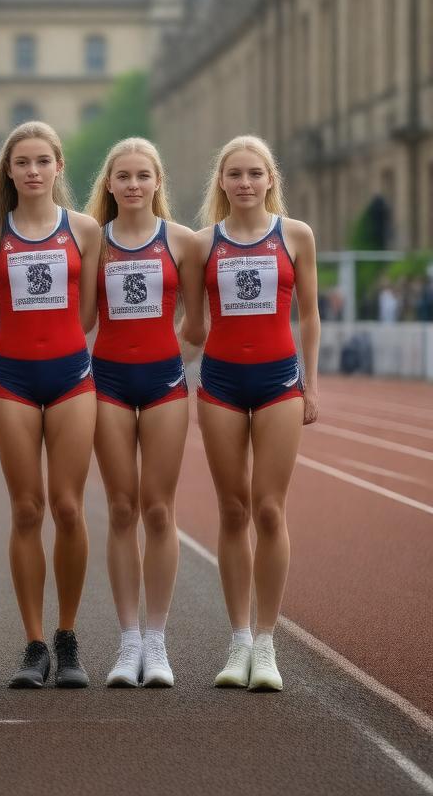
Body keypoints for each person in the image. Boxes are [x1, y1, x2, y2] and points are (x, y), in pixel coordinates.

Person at [186, 134, 319, 692]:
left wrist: (311, 384)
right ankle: (237, 637)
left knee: (269, 508)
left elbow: (309, 316)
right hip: (219, 382)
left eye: (255, 173)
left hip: (279, 383)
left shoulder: (295, 236)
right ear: (221, 182)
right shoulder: (201, 243)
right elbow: (191, 324)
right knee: (234, 508)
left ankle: (266, 643)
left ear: (270, 180)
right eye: (234, 174)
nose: (245, 183)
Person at [0, 121, 100, 689]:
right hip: (13, 379)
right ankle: (33, 643)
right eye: (22, 162)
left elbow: (87, 313)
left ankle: (68, 635)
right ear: (9, 170)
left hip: (72, 376)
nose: (32, 171)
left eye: (42, 161)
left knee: (70, 508)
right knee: (27, 509)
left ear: (58, 167)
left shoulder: (84, 229)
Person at [85, 137, 201, 688]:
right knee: (121, 507)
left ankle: (156, 641)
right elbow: (81, 317)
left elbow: (198, 324)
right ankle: (127, 638)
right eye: (123, 176)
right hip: (106, 382)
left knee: (159, 509)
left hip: (164, 384)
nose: (133, 185)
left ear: (158, 183)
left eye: (143, 176)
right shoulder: (93, 243)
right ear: (108, 185)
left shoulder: (182, 243)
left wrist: (165, 350)